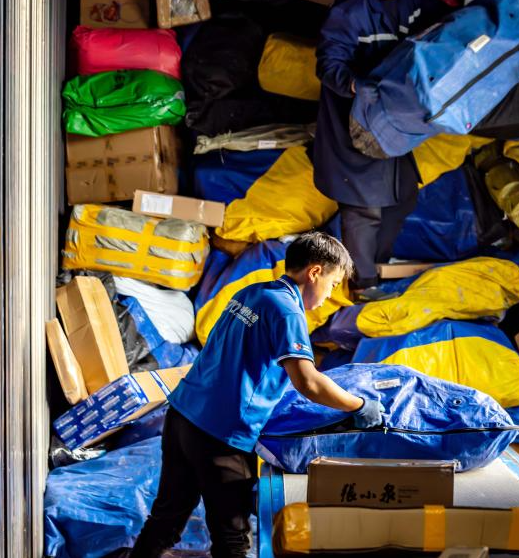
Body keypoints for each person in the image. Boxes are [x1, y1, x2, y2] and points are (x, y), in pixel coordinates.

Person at [129, 232, 383, 558]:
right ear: (315, 272)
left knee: (165, 521)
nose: (330, 295)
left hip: (183, 416)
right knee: (232, 540)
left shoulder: (252, 293)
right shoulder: (288, 312)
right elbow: (308, 382)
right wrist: (358, 405)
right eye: (333, 284)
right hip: (221, 435)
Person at [313, 0, 449, 295]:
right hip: (354, 121)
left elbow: (441, 19)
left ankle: (376, 266)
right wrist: (355, 84)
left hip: (391, 121)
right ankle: (363, 286)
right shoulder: (350, 9)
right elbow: (328, 63)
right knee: (364, 209)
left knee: (403, 198)